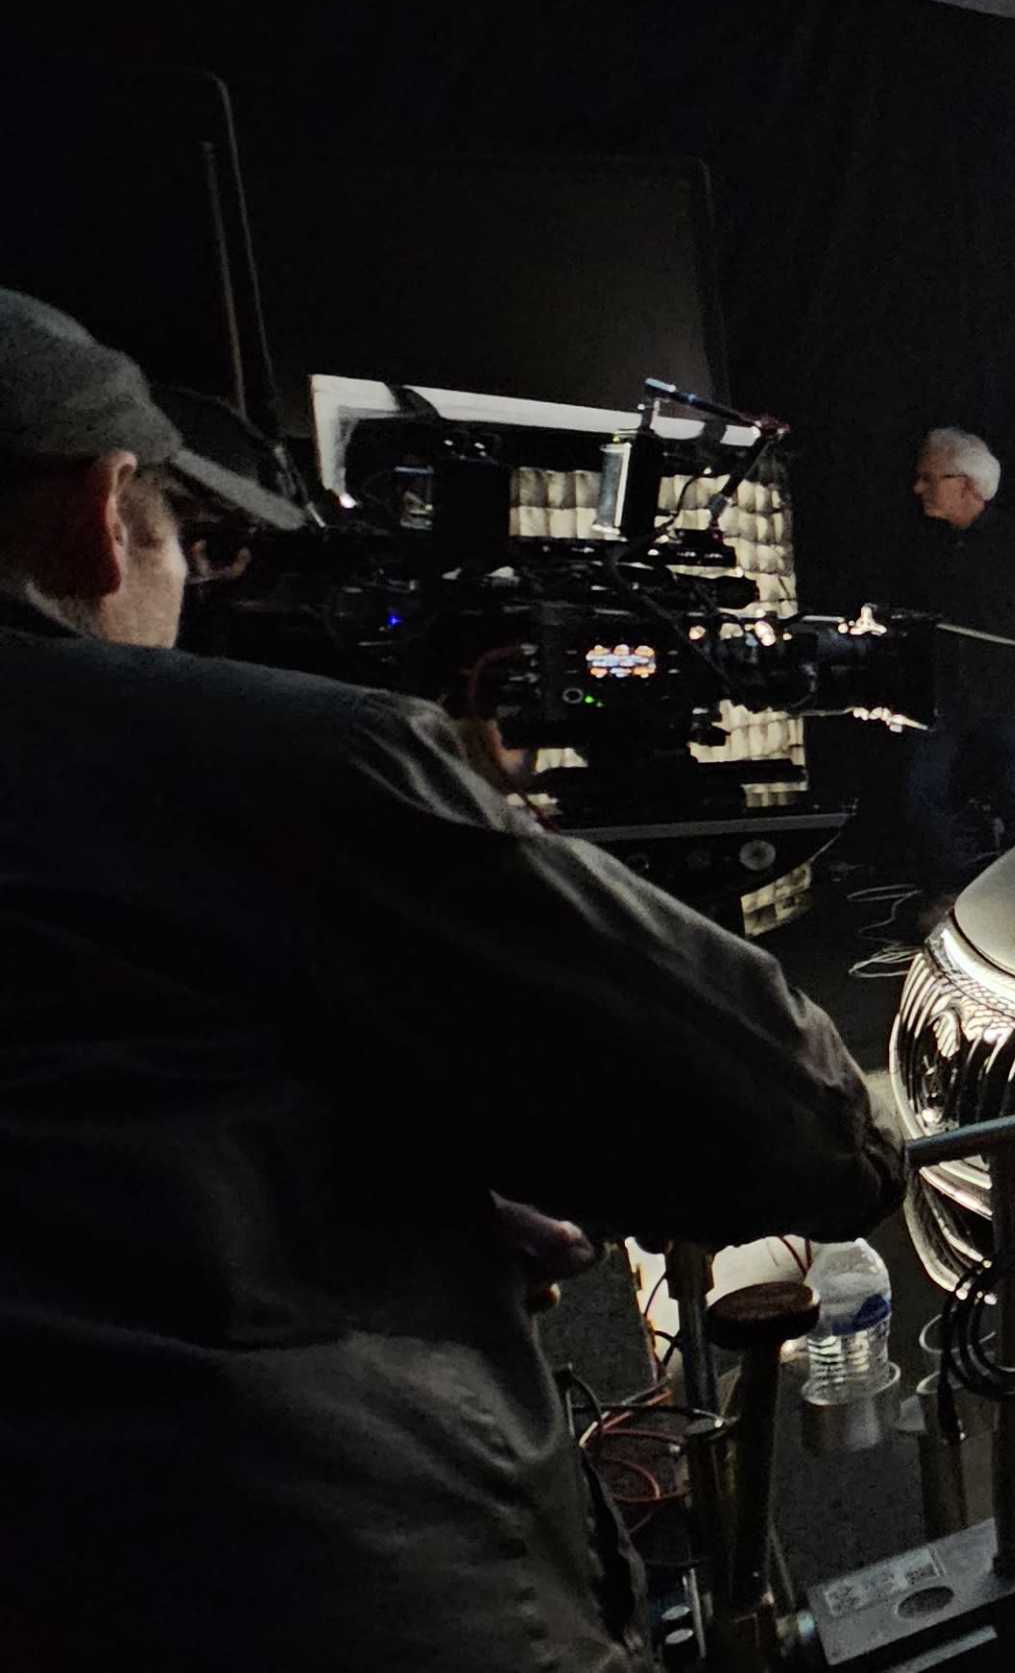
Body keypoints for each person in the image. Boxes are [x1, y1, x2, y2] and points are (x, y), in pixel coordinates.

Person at [0, 288, 906, 1670]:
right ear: (99, 505)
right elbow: (799, 1123)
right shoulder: (283, 761)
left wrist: (393, 1178)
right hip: (319, 1571)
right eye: (192, 532)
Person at [901, 425, 1015, 889]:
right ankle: (959, 896)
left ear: (968, 485)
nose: (919, 488)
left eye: (930, 477)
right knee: (922, 796)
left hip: (1013, 697)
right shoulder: (930, 546)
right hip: (945, 699)